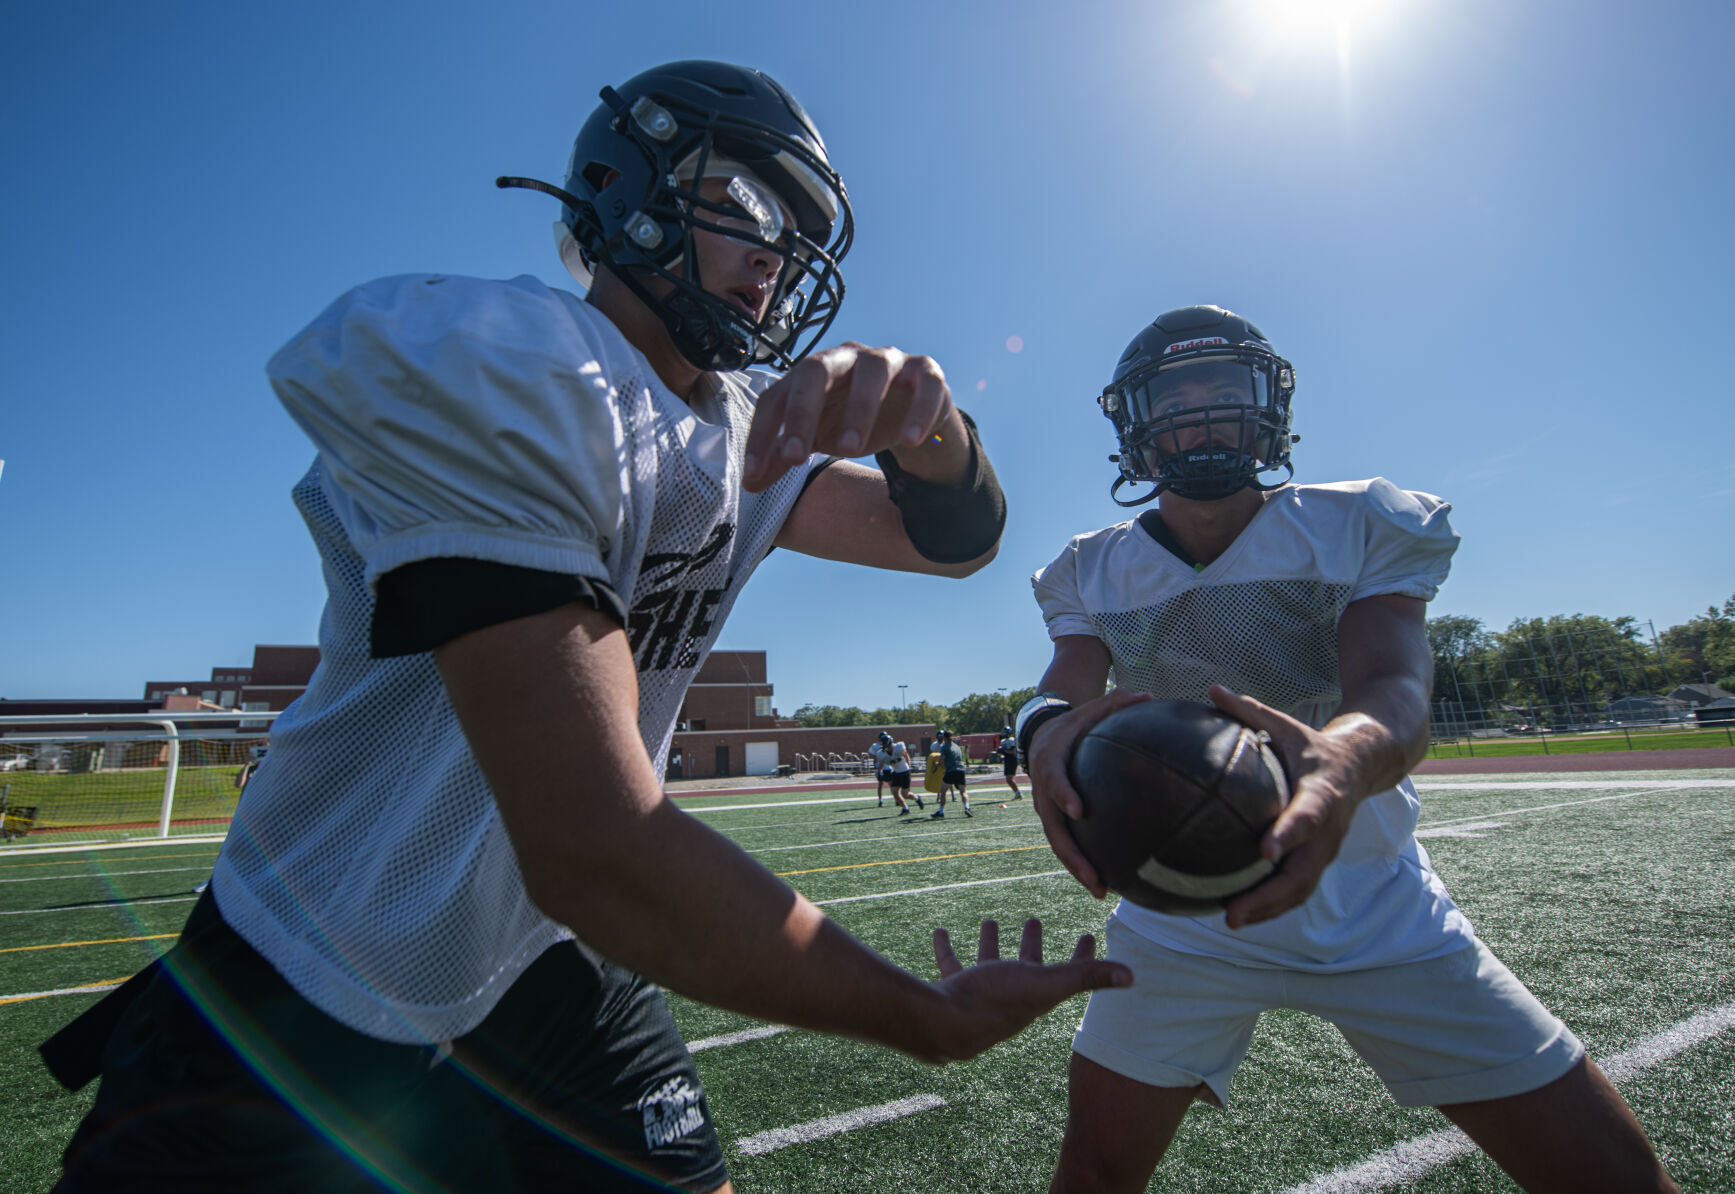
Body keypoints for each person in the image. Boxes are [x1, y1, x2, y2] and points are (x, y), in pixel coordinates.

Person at [41, 61, 1128, 1194]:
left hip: (548, 957)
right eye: (755, 209)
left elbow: (947, 542)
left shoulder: (743, 431)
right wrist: (925, 1016)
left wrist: (929, 427)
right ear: (633, 187)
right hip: (322, 950)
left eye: (799, 236)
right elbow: (595, 844)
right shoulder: (506, 360)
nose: (776, 256)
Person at [1018, 306, 1676, 1194]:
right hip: (1180, 913)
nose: (1204, 413)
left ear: (1268, 406)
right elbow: (1064, 686)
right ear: (1132, 427)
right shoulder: (1086, 569)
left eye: (1223, 390)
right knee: (1092, 1172)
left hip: (1371, 894)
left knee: (1610, 1179)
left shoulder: (1358, 522)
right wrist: (1041, 729)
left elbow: (1395, 694)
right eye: (1178, 396)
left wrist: (1339, 761)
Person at [868, 729, 919, 813]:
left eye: (885, 743)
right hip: (896, 773)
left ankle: (917, 798)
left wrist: (908, 764)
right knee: (894, 792)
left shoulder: (898, 748)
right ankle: (905, 808)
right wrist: (879, 771)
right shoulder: (883, 753)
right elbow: (882, 762)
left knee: (905, 794)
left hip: (905, 772)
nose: (884, 745)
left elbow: (906, 754)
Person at [929, 728, 971, 819]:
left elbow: (942, 760)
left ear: (945, 737)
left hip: (951, 771)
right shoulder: (957, 747)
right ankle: (967, 808)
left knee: (943, 792)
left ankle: (941, 812)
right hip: (961, 770)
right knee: (963, 791)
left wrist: (937, 764)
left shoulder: (944, 746)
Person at [997, 723, 1022, 800]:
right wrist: (1000, 754)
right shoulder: (1003, 741)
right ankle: (1017, 793)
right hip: (1007, 760)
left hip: (1012, 759)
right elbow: (1003, 753)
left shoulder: (1012, 740)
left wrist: (1003, 751)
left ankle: (1018, 794)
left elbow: (1013, 751)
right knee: (1008, 780)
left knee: (1009, 779)